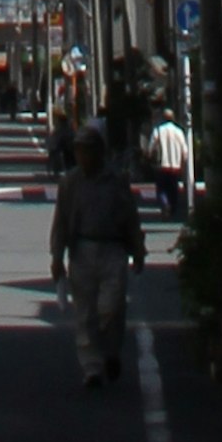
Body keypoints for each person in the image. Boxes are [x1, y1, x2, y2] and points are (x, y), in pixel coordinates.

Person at [48, 119, 147, 390]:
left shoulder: (115, 180)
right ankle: (92, 367)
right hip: (82, 249)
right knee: (85, 313)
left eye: (88, 149)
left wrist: (137, 249)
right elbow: (61, 222)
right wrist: (57, 257)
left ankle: (111, 352)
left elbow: (130, 216)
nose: (82, 155)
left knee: (111, 307)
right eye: (79, 150)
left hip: (113, 248)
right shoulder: (69, 183)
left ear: (99, 152)